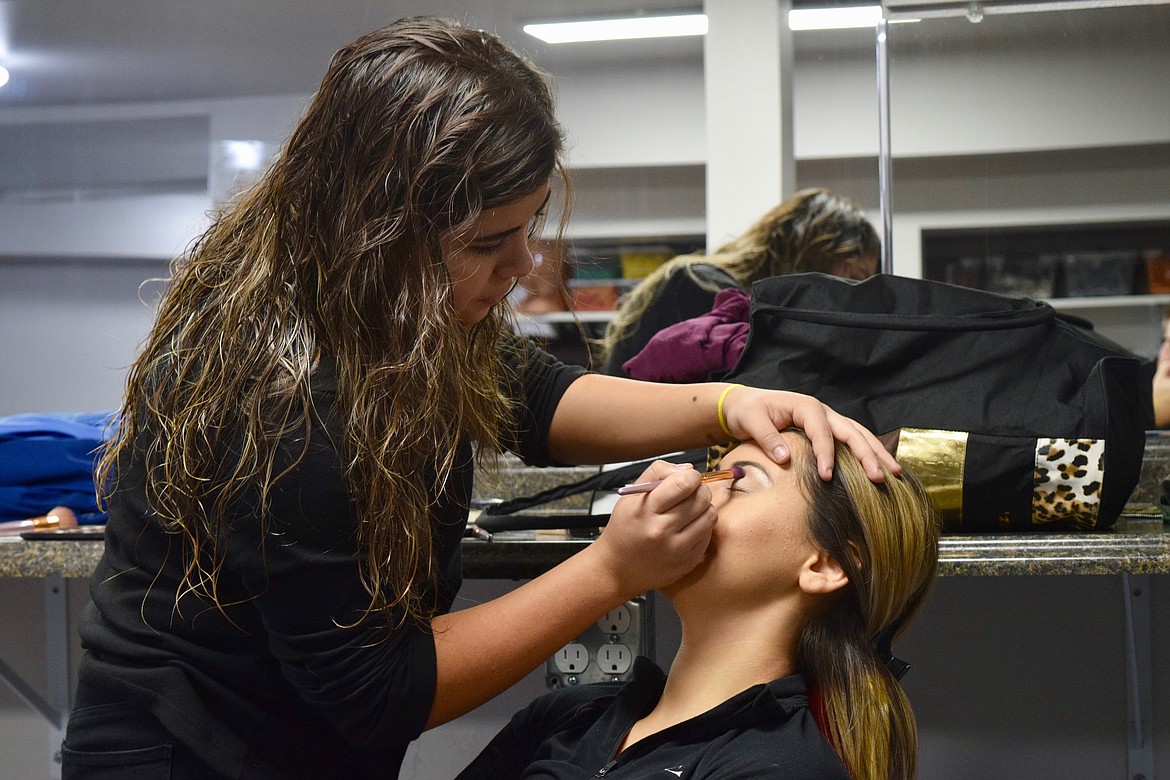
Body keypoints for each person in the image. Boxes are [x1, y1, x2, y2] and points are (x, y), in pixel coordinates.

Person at [61, 17, 900, 780]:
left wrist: (723, 404)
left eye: (528, 227)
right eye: (490, 242)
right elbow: (377, 691)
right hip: (190, 753)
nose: (526, 266)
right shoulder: (292, 402)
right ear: (382, 235)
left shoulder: (400, 300)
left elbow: (530, 397)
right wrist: (613, 569)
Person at [458, 431, 940, 780]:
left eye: (740, 480)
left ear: (826, 564)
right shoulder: (567, 717)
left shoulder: (779, 768)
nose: (694, 488)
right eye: (714, 470)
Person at [599, 188, 880, 378]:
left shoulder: (704, 284)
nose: (849, 297)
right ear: (810, 257)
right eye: (851, 279)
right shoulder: (701, 287)